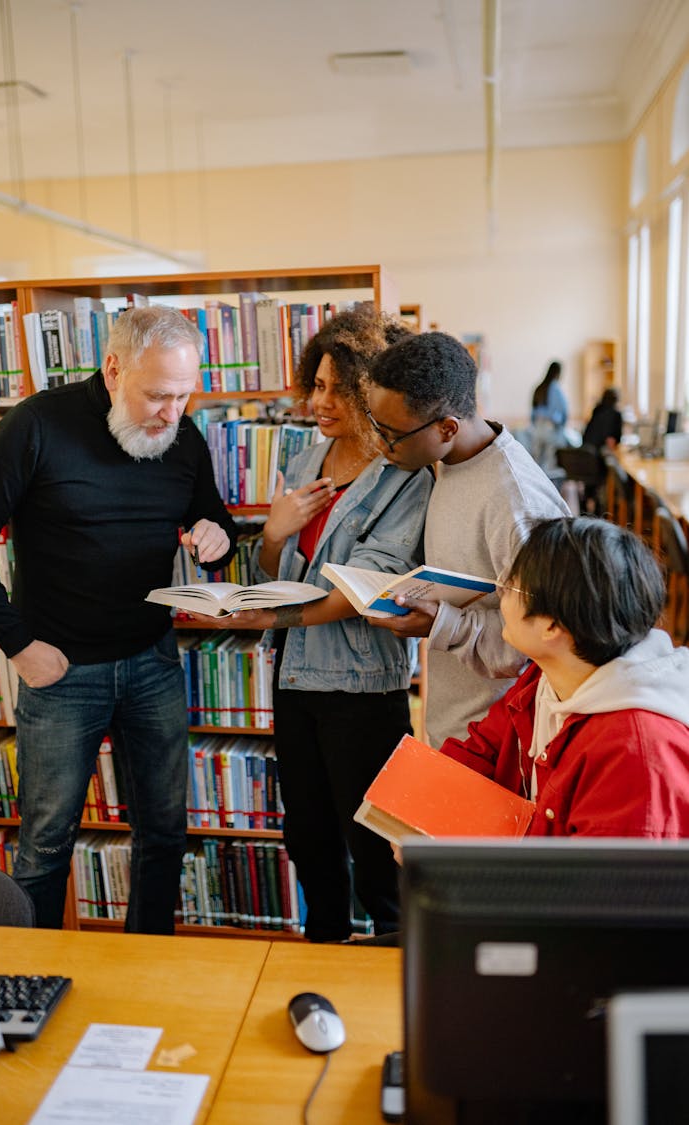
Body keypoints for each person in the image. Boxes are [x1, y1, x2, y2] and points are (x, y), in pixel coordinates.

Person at [0, 305, 238, 932]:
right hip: (61, 670)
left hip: (152, 660)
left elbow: (214, 520)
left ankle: (148, 957)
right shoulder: (37, 425)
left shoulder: (183, 436)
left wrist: (217, 536)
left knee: (163, 833)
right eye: (158, 395)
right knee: (46, 844)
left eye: (184, 396)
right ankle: (37, 975)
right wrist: (18, 644)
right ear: (112, 369)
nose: (172, 414)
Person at [190, 307, 433, 942]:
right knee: (308, 832)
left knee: (373, 842)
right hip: (294, 674)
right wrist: (273, 533)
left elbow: (365, 590)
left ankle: (390, 958)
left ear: (372, 393)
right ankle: (322, 944)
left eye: (338, 389)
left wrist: (272, 612)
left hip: (361, 684)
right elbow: (272, 564)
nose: (319, 402)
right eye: (317, 385)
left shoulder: (404, 472)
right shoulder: (303, 461)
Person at [365, 330, 570, 746]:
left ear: (446, 428)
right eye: (376, 427)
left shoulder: (517, 503)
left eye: (392, 434)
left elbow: (547, 637)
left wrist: (442, 624)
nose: (382, 446)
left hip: (503, 742)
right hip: (458, 726)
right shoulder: (452, 460)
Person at [439, 517, 689, 836]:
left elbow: (600, 884)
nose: (500, 594)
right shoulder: (549, 676)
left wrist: (447, 862)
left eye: (511, 586)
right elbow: (481, 751)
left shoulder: (635, 754)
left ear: (552, 626)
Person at [530, 359, 568, 472]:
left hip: (537, 429)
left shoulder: (539, 388)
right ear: (558, 373)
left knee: (536, 463)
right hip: (551, 429)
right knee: (550, 464)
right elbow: (564, 411)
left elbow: (533, 413)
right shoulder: (556, 389)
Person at [582, 386, 622, 451]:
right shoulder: (616, 414)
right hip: (599, 451)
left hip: (586, 448)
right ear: (616, 400)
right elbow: (614, 440)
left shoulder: (597, 410)